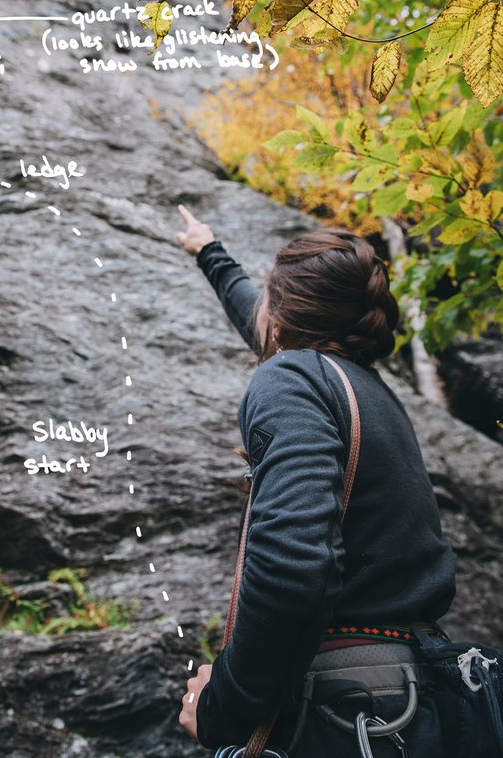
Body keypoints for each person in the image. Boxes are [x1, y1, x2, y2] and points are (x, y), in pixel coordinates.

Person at [174, 204, 457, 757]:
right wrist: (209, 251)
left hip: (343, 711)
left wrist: (225, 707)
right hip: (411, 697)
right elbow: (255, 311)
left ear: (284, 318)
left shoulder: (291, 379)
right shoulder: (367, 393)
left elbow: (292, 564)